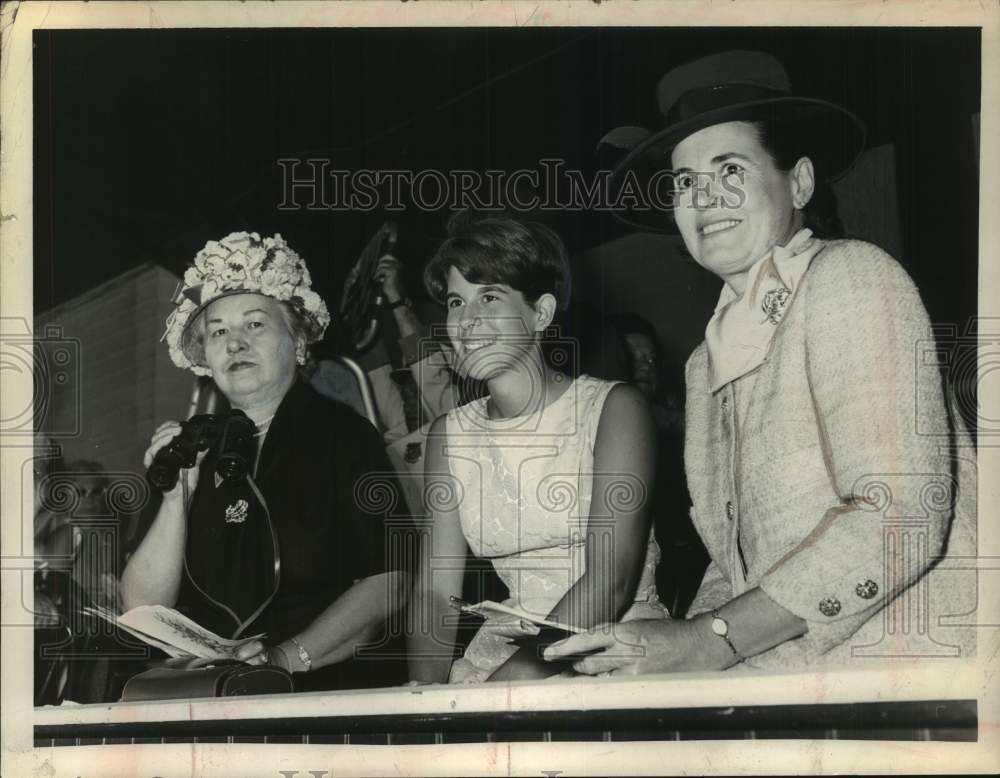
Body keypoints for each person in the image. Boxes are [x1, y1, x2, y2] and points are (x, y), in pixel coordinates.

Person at [545, 50, 976, 673]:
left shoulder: (852, 277)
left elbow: (898, 514)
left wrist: (706, 640)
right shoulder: (705, 361)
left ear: (799, 182)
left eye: (731, 169)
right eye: (684, 181)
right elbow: (735, 563)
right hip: (794, 681)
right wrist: (669, 645)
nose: (704, 197)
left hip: (909, 668)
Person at [121, 231, 409, 691]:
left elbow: (389, 581)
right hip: (207, 689)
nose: (234, 344)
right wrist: (176, 498)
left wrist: (281, 661)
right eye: (218, 332)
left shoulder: (345, 435)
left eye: (254, 325)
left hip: (317, 686)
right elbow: (141, 609)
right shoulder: (192, 449)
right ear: (205, 359)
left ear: (297, 343)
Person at [406, 213, 670, 685]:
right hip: (504, 654)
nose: (466, 322)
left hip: (609, 648)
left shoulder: (614, 409)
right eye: (455, 301)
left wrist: (502, 693)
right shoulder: (449, 434)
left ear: (541, 313)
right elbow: (434, 592)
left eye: (489, 297)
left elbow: (609, 582)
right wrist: (425, 696)